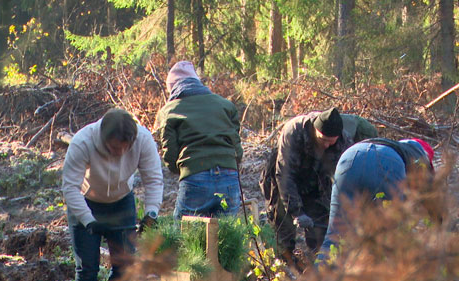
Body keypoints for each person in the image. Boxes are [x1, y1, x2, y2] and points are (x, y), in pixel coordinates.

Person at [62, 108, 163, 281]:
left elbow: (153, 179)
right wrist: (88, 220)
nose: (121, 153)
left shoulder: (143, 139)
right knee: (87, 268)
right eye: (115, 148)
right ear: (103, 138)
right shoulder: (83, 142)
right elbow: (70, 188)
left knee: (124, 265)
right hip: (85, 201)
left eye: (126, 148)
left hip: (121, 202)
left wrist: (151, 212)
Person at [259, 107, 353, 265]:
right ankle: (284, 267)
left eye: (332, 142)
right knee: (282, 226)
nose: (327, 145)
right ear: (315, 129)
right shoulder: (294, 131)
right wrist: (297, 212)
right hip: (285, 181)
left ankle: (319, 266)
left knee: (321, 229)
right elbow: (285, 175)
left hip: (316, 183)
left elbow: (342, 179)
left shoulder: (344, 141)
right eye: (323, 140)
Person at [318, 138, 435, 261]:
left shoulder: (394, 145)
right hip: (387, 163)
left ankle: (318, 277)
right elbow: (432, 200)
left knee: (335, 235)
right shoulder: (420, 156)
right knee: (391, 237)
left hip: (349, 156)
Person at [155, 61, 243, 219]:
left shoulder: (169, 111)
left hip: (195, 176)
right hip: (229, 175)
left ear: (172, 87)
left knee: (184, 234)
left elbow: (170, 156)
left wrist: (183, 169)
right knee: (226, 238)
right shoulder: (226, 105)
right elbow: (236, 146)